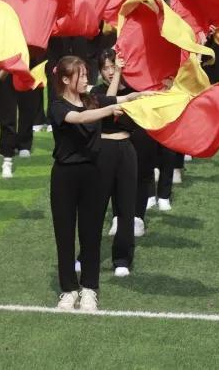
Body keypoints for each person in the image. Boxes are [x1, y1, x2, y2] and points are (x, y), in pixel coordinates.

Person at [47, 56, 124, 312]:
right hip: (64, 177)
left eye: (85, 74)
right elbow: (79, 118)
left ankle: (89, 289)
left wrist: (148, 94)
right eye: (80, 75)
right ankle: (68, 290)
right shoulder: (57, 106)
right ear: (66, 80)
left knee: (91, 233)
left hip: (93, 174)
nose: (85, 79)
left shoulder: (92, 99)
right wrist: (107, 111)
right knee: (64, 234)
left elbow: (120, 99)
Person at [90, 49, 149, 276]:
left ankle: (122, 259)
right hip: (102, 151)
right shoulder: (95, 93)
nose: (109, 72)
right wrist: (118, 74)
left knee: (126, 207)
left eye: (113, 66)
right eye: (105, 68)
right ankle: (86, 255)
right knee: (95, 207)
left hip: (126, 150)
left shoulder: (134, 92)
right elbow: (108, 104)